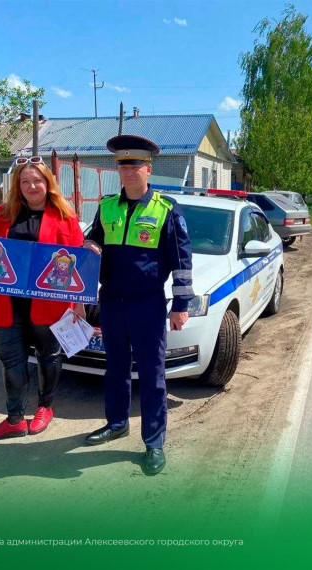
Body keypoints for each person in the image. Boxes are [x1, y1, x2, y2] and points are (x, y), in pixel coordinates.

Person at [83, 135, 193, 476]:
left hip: (148, 304)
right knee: (114, 368)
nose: (127, 172)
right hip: (112, 302)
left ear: (148, 169)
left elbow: (181, 259)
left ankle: (154, 442)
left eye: (133, 166)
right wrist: (89, 243)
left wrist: (181, 303)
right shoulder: (106, 207)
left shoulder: (165, 209)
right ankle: (117, 423)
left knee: (152, 374)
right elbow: (92, 238)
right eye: (121, 166)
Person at [0, 157, 84, 441]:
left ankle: (44, 408)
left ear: (48, 183)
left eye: (37, 180)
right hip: (8, 303)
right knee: (11, 359)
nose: (31, 186)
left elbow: (79, 264)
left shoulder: (66, 217)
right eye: (24, 181)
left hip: (49, 303)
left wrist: (78, 304)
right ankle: (14, 418)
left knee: (48, 356)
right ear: (17, 185)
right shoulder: (1, 214)